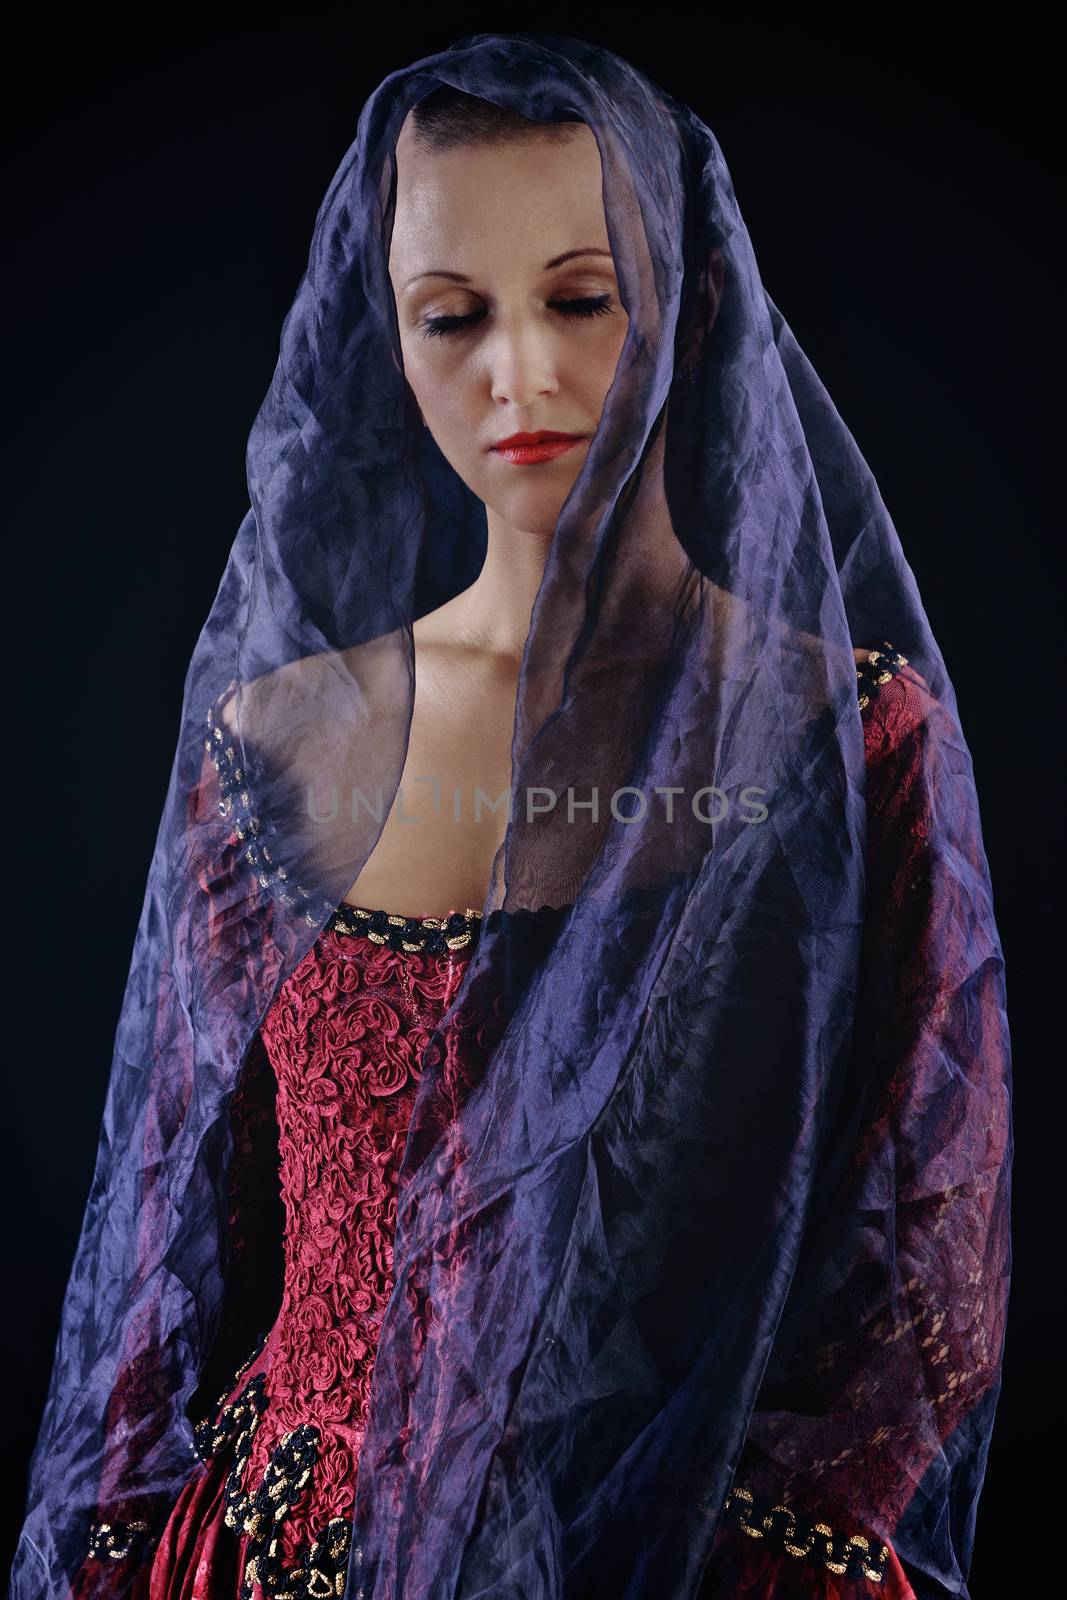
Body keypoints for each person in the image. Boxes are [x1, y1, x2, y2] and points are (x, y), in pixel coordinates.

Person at [12, 33, 1012, 1600]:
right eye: (453, 317)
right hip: (278, 1565)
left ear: (682, 301)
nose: (520, 378)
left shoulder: (846, 734)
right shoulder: (278, 743)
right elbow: (161, 1277)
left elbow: (925, 1263)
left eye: (581, 299)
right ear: (390, 331)